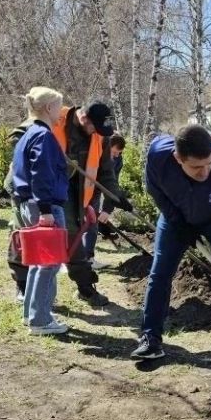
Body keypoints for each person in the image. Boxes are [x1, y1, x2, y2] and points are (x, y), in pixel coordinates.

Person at [131, 124, 211, 369]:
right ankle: (151, 339)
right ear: (178, 158)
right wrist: (176, 219)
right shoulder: (159, 155)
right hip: (176, 218)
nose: (205, 172)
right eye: (197, 167)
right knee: (160, 273)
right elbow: (154, 188)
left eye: (208, 164)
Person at [53, 102, 129, 306]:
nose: (99, 133)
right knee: (62, 236)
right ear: (84, 118)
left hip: (77, 192)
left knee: (74, 237)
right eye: (95, 126)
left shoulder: (100, 137)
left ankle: (85, 288)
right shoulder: (54, 118)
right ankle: (24, 286)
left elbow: (106, 172)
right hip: (48, 188)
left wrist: (116, 197)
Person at [11, 87, 70, 335]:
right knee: (49, 263)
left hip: (29, 203)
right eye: (59, 107)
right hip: (43, 205)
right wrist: (46, 210)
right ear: (48, 108)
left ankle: (32, 313)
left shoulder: (28, 133)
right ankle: (40, 320)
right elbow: (41, 173)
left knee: (39, 262)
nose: (61, 113)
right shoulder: (43, 136)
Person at [83, 133, 127, 268]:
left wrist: (107, 209)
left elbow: (112, 184)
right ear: (106, 147)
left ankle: (88, 259)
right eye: (114, 152)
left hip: (94, 193)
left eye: (119, 153)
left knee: (92, 224)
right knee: (74, 224)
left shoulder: (117, 161)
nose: (117, 156)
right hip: (79, 191)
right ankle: (69, 259)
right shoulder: (91, 152)